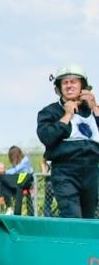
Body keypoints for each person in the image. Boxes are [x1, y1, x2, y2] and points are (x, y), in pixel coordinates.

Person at [36, 62, 99, 218]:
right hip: (65, 171)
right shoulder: (49, 112)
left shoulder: (92, 110)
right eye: (65, 82)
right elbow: (47, 138)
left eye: (74, 81)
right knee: (72, 216)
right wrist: (67, 115)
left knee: (89, 218)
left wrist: (96, 108)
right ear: (59, 88)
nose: (69, 86)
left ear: (83, 86)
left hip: (91, 171)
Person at [1, 146, 34, 216]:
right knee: (3, 179)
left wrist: (5, 172)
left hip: (27, 179)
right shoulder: (16, 163)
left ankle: (17, 213)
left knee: (18, 187)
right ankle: (9, 207)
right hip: (19, 180)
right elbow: (14, 171)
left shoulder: (25, 160)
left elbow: (17, 170)